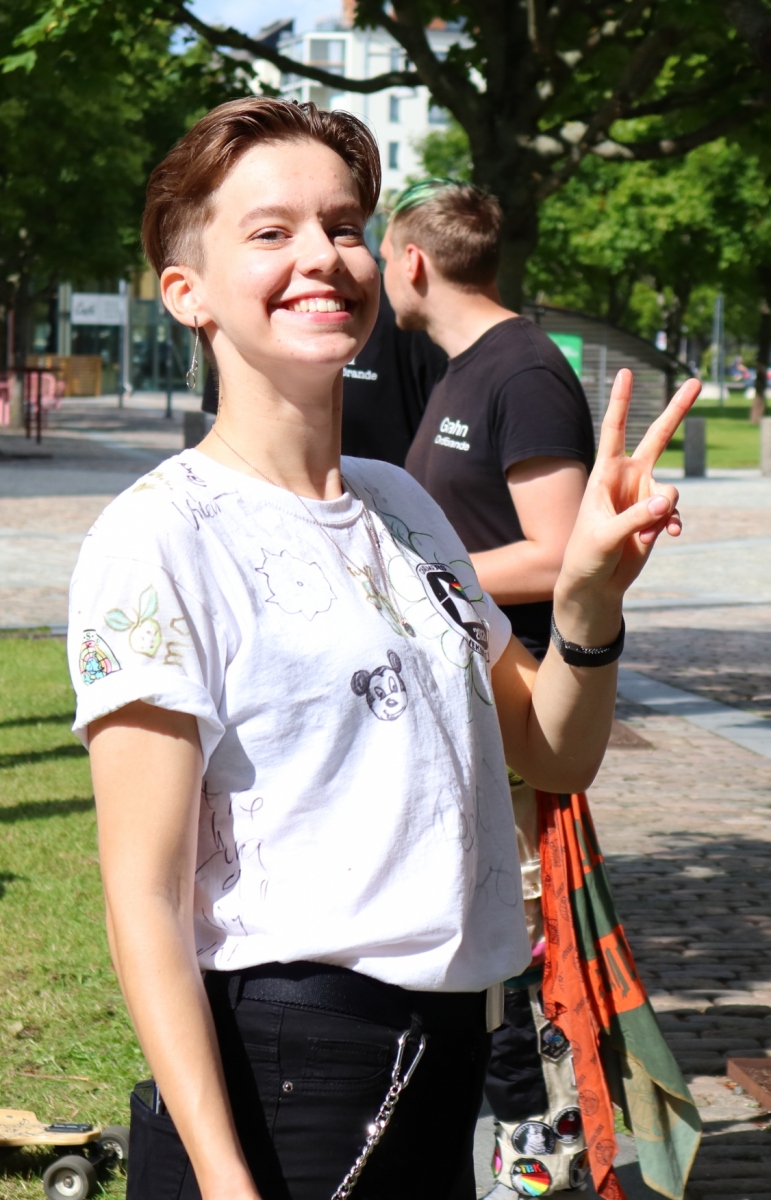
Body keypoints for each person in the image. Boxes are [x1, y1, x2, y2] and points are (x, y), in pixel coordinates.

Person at [67, 97, 697, 1200]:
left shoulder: (402, 505)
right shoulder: (160, 537)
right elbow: (144, 902)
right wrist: (223, 1180)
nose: (324, 256)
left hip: (446, 1062)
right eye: (271, 232)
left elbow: (552, 752)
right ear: (187, 293)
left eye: (344, 225)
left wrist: (589, 599)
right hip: (283, 1084)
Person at [378, 177, 594, 1189]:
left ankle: (544, 1158)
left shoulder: (524, 371)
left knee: (526, 957)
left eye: (380, 253)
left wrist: (412, 574)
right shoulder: (461, 369)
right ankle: (510, 1151)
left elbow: (558, 553)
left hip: (520, 712)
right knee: (489, 955)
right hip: (468, 711)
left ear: (413, 262)